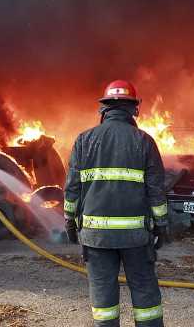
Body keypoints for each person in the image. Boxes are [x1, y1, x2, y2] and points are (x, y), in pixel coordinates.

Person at [64, 80, 168, 327]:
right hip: (135, 238)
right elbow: (155, 191)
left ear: (104, 109)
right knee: (145, 293)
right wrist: (161, 225)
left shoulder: (83, 140)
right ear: (134, 109)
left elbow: (72, 189)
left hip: (96, 237)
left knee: (103, 296)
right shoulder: (144, 141)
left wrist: (69, 220)